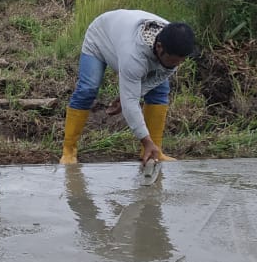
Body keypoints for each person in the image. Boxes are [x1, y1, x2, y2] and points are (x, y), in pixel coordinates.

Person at [59, 9, 197, 165]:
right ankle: (68, 151)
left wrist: (130, 95)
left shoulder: (175, 42)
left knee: (159, 91)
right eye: (174, 61)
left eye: (181, 61)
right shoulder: (133, 55)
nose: (177, 65)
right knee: (88, 89)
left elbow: (161, 76)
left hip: (123, 33)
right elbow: (130, 103)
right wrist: (144, 138)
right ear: (159, 47)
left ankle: (154, 151)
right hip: (100, 37)